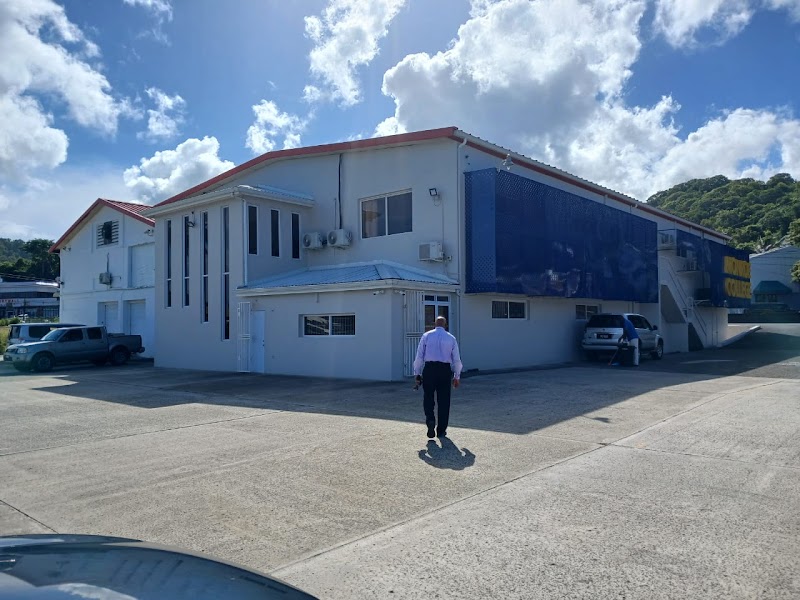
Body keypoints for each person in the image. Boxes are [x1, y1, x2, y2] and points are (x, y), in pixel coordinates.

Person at [413, 316, 463, 438]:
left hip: (429, 369)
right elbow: (457, 360)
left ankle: (430, 420)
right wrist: (457, 376)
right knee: (444, 401)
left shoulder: (426, 336)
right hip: (444, 370)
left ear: (434, 324)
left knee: (428, 397)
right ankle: (441, 430)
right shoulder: (451, 338)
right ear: (445, 325)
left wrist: (417, 373)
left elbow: (419, 356)